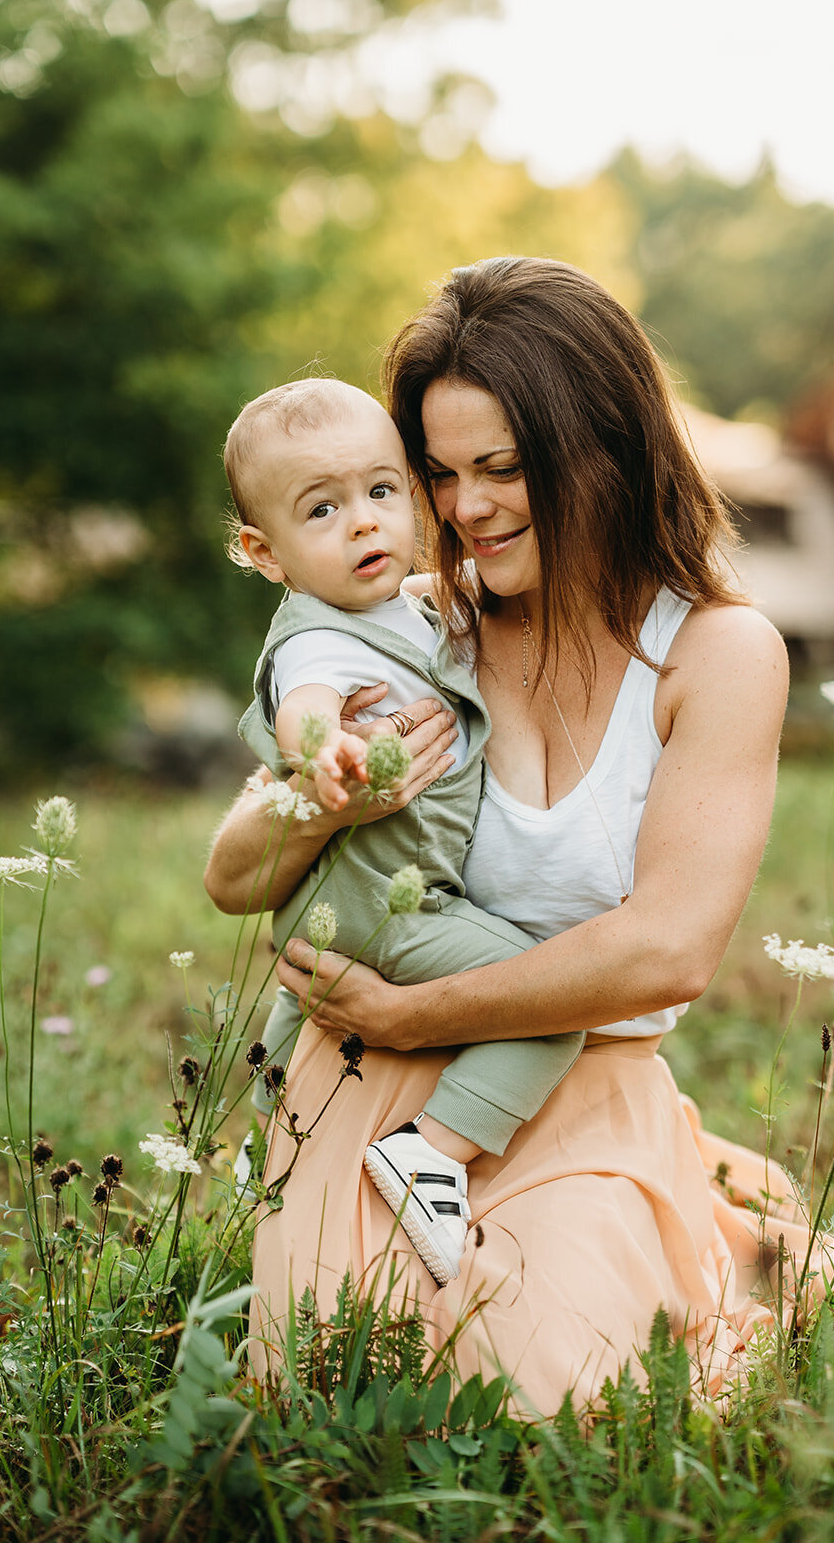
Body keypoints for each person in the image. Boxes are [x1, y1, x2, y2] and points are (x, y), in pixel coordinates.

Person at [205, 258, 834, 1412]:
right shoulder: (422, 620)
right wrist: (329, 797)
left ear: (605, 445)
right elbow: (233, 875)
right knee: (339, 1379)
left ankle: (736, 1249)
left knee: (553, 1391)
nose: (465, 508)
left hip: (574, 1081)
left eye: (501, 467)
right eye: (437, 473)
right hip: (360, 1082)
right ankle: (721, 1242)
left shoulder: (716, 655)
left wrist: (408, 1009)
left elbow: (662, 952)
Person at [224, 377, 588, 1286]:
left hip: (346, 901)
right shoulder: (319, 637)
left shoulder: (404, 611)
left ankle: (263, 1141)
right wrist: (328, 760)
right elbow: (304, 705)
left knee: (294, 1000)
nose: (363, 523)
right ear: (264, 553)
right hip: (393, 907)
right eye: (323, 510)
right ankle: (431, 1153)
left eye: (382, 492)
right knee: (549, 1008)